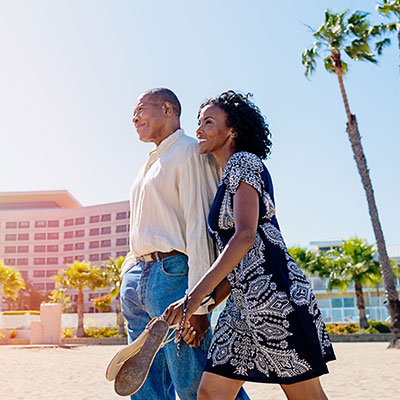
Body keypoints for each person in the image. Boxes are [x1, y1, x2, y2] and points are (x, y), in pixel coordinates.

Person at [163, 90, 336, 400]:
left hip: (275, 300)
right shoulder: (226, 177)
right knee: (211, 393)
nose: (199, 129)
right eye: (198, 122)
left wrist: (192, 298)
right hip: (241, 307)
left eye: (208, 122)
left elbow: (245, 237)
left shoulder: (243, 162)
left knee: (307, 396)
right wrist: (205, 307)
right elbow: (239, 263)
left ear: (233, 131)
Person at [119, 88, 249, 400]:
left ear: (167, 109)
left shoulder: (189, 151)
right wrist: (127, 274)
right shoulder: (150, 162)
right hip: (138, 279)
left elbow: (198, 228)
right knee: (144, 390)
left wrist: (199, 304)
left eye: (141, 109)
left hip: (172, 277)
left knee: (195, 381)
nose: (134, 117)